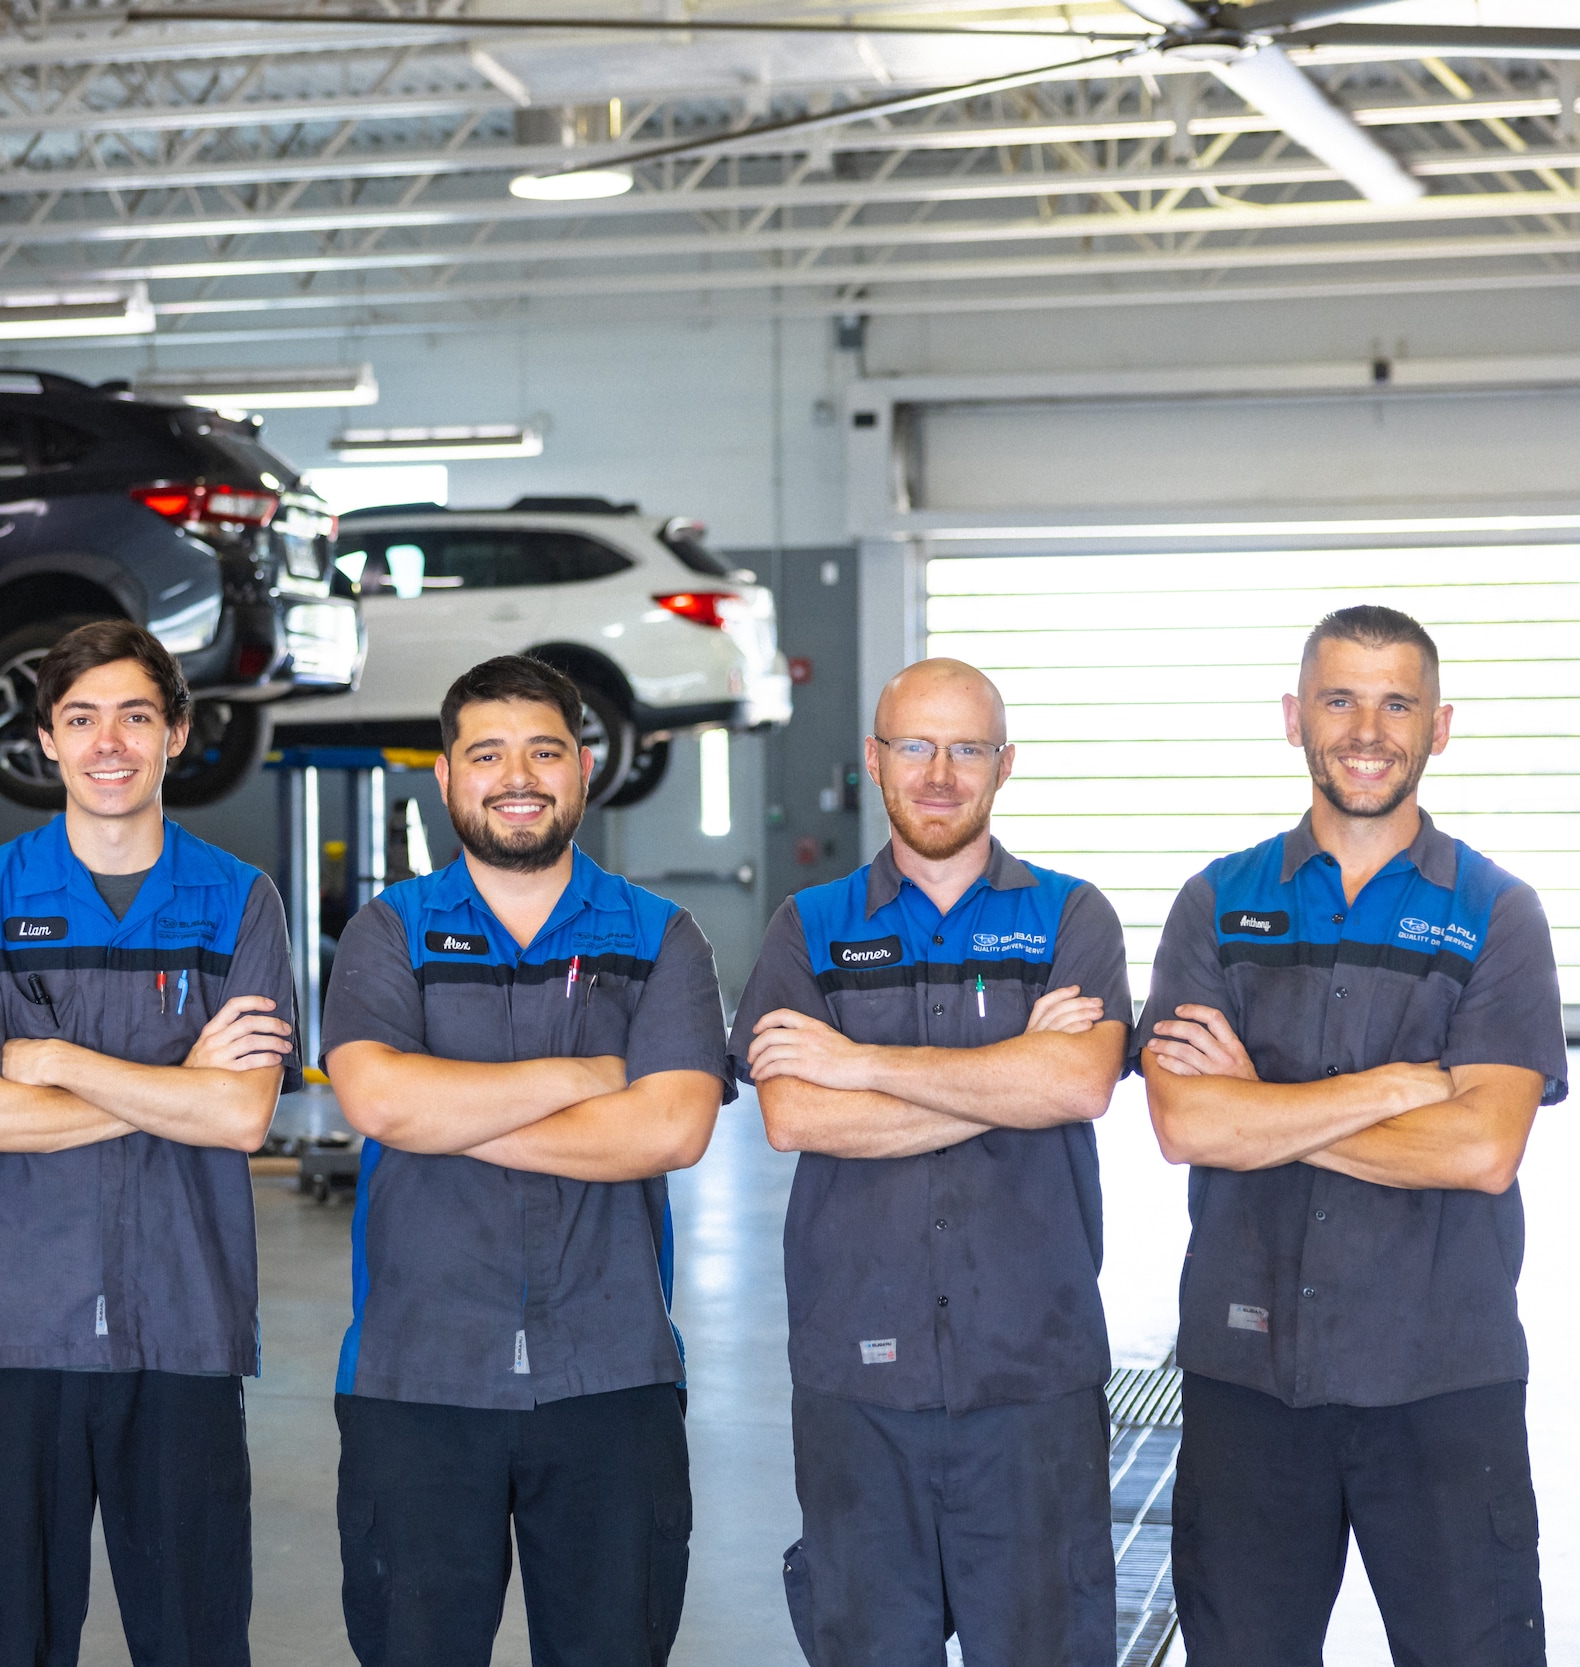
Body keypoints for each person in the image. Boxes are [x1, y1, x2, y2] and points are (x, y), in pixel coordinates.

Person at [1134, 605, 1561, 1665]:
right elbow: (1188, 1120)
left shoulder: (1498, 913)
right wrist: (1390, 1090)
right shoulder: (1215, 904)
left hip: (1442, 1382)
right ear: (1293, 717)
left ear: (1438, 726)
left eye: (1395, 702)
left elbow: (1480, 1149)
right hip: (1247, 1380)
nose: (1366, 728)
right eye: (1339, 698)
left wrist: (1264, 1112)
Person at [320, 654, 728, 1667]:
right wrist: (591, 1074)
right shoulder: (387, 931)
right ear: (447, 776)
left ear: (583, 769)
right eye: (487, 752)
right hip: (416, 1376)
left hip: (612, 1376)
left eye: (543, 751)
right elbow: (375, 1098)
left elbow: (671, 1128)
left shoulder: (661, 937)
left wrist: (443, 1109)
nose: (517, 775)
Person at [0, 618, 297, 1667]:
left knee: (194, 1637)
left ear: (177, 731)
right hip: (17, 1334)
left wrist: (58, 1059)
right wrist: (181, 1084)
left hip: (185, 1324)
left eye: (134, 715)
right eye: (81, 718)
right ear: (45, 740)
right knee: (16, 1638)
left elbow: (243, 1116)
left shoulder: (238, 900)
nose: (108, 741)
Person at [732, 658, 1129, 1666]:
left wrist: (858, 1063)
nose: (939, 772)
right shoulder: (805, 927)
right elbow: (791, 1114)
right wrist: (1006, 1076)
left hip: (1031, 1374)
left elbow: (1076, 1087)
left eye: (967, 748)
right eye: (914, 744)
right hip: (857, 1378)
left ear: (1005, 764)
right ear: (873, 758)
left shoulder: (1071, 916)